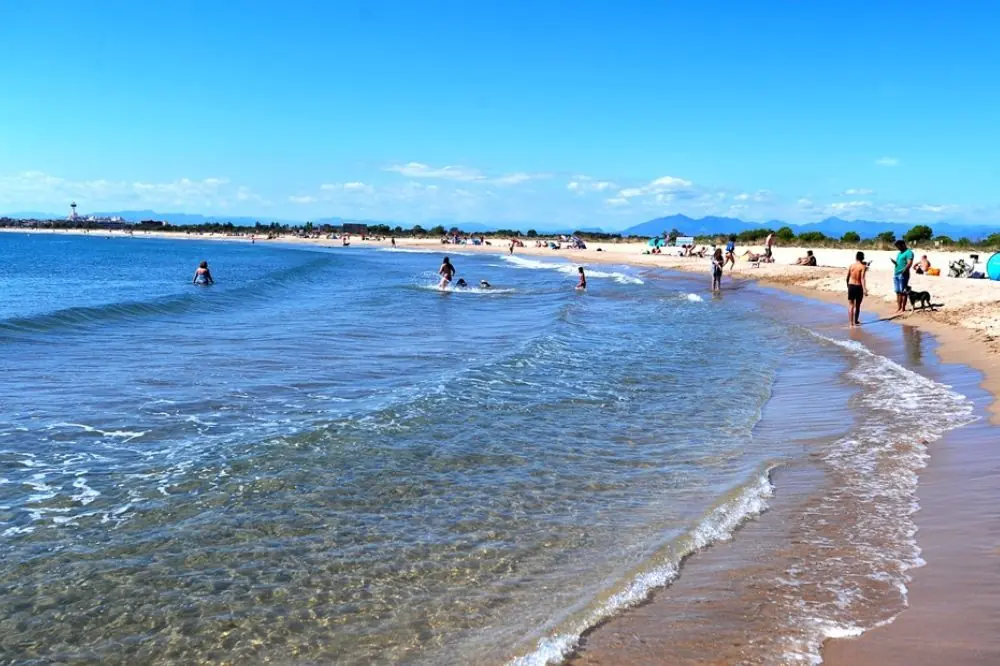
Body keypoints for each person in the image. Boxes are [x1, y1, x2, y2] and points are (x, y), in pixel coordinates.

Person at [891, 240, 914, 314]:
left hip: (903, 274)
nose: (898, 248)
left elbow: (909, 263)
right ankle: (899, 307)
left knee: (903, 292)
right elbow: (899, 263)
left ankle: (903, 308)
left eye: (898, 246)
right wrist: (895, 263)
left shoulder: (909, 252)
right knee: (897, 292)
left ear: (903, 245)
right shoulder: (899, 253)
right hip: (896, 273)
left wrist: (903, 272)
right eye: (897, 247)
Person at [847, 251, 869, 328]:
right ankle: (855, 320)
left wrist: (848, 285)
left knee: (850, 305)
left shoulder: (851, 266)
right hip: (858, 286)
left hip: (851, 285)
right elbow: (862, 279)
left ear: (856, 257)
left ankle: (851, 323)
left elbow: (847, 277)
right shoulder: (862, 267)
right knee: (857, 305)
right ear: (862, 258)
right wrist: (865, 289)